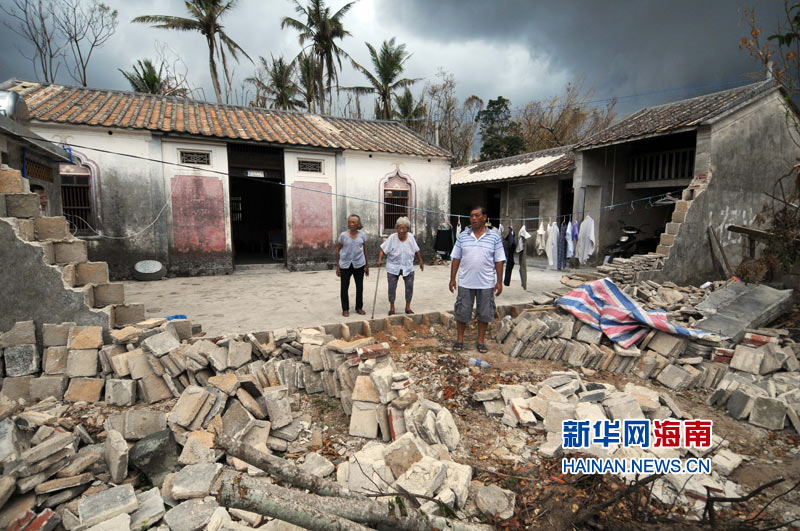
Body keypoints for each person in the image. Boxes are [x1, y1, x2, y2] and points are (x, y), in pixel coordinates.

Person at [448, 206, 506, 354]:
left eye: (477, 215)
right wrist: (452, 278)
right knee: (462, 312)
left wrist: (499, 281)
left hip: (486, 283)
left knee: (485, 313)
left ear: (484, 217)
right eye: (471, 216)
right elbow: (456, 257)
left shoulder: (494, 237)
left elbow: (499, 260)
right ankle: (460, 339)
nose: (473, 218)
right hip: (465, 282)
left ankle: (480, 341)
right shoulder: (463, 236)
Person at [377, 216, 423, 315]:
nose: (401, 230)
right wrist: (380, 259)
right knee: (392, 288)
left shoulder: (410, 237)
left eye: (403, 228)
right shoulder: (392, 238)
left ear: (407, 229)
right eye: (399, 228)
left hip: (408, 266)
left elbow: (416, 250)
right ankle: (392, 307)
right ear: (396, 228)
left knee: (409, 287)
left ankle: (407, 307)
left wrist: (420, 261)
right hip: (393, 266)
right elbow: (382, 249)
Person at [336, 214, 369, 317]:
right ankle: (345, 309)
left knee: (360, 287)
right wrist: (338, 266)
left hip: (359, 264)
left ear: (358, 224)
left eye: (353, 222)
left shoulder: (362, 235)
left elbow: (364, 250)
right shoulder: (343, 236)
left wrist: (367, 266)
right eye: (349, 222)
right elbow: (338, 250)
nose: (351, 224)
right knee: (344, 287)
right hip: (345, 265)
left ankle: (359, 307)